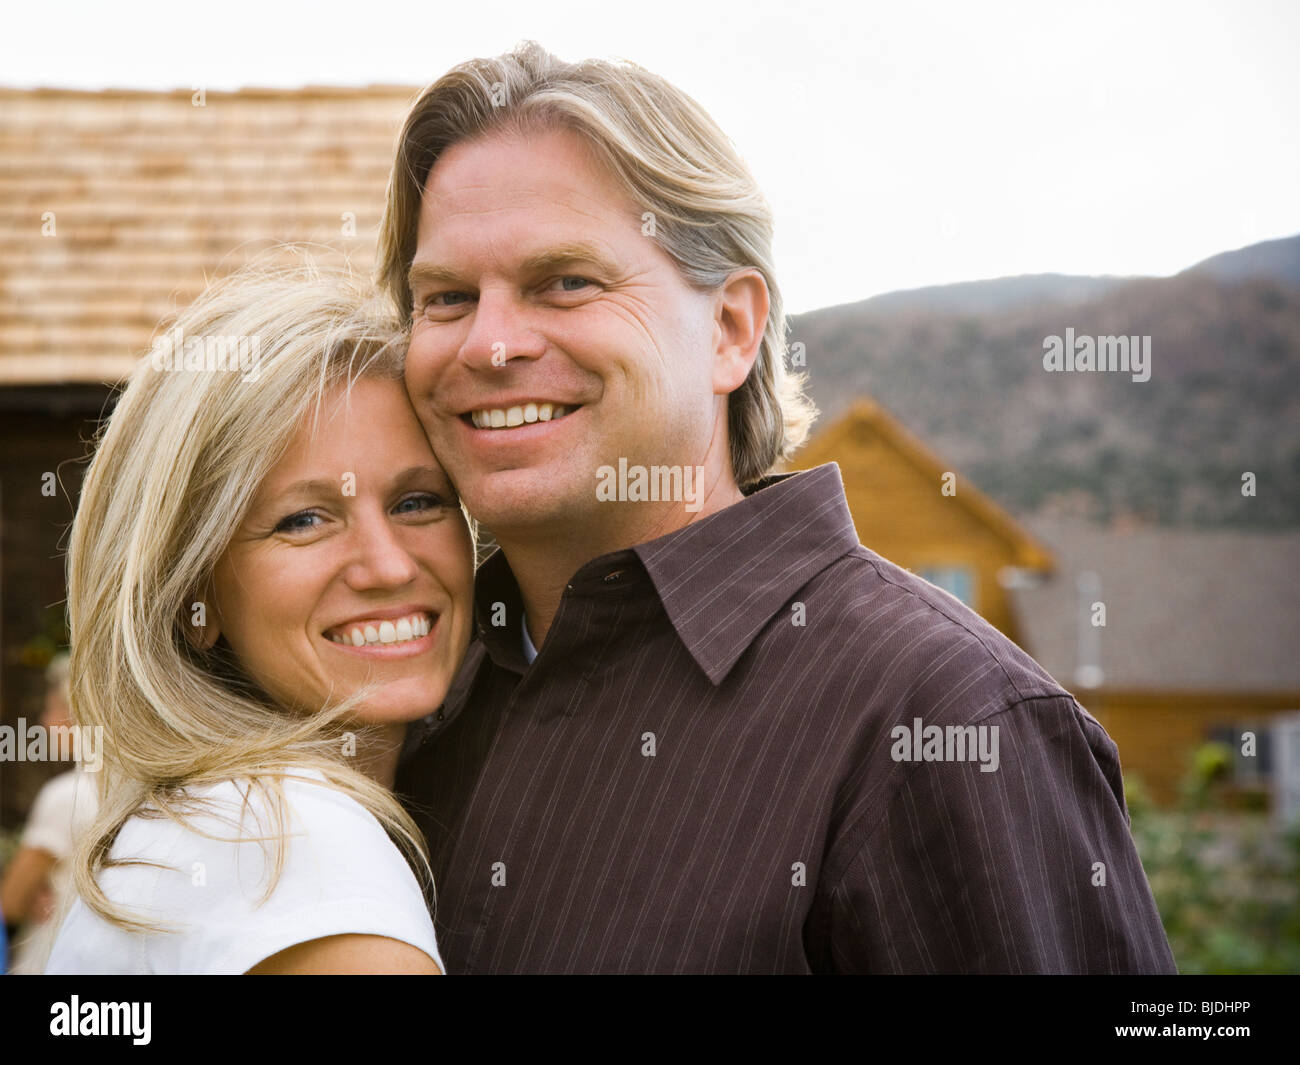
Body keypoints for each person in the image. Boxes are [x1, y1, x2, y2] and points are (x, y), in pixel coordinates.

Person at [380, 42, 1177, 973]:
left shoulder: (948, 722)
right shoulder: (413, 692)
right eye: (446, 297)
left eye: (566, 281)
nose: (492, 343)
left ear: (729, 329)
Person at [44, 261, 474, 974]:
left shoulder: (207, 826)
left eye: (417, 501)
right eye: (303, 519)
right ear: (192, 599)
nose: (390, 565)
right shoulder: (290, 849)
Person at [1, 654, 98, 973]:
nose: (45, 722)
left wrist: (26, 894)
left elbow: (9, 903)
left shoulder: (66, 795)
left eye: (52, 709)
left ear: (78, 717)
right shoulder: (128, 790)